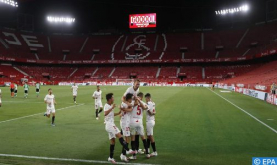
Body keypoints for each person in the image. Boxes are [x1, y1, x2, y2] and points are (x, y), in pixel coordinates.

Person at [104, 93, 136, 164]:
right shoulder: (106, 106)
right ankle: (127, 150)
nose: (114, 99)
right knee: (120, 136)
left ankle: (110, 157)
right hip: (110, 125)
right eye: (113, 98)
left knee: (113, 142)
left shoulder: (109, 105)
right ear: (109, 99)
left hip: (110, 124)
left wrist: (118, 113)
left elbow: (110, 114)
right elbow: (105, 113)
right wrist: (112, 108)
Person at [121, 79, 144, 155]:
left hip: (131, 112)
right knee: (129, 134)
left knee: (133, 133)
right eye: (136, 84)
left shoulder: (138, 90)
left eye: (138, 84)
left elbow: (135, 101)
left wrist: (134, 104)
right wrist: (127, 103)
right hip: (127, 109)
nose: (138, 85)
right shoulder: (129, 89)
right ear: (133, 84)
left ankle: (134, 149)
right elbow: (123, 98)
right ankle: (126, 151)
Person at [129, 92, 150, 159]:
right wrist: (140, 101)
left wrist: (136, 100)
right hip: (139, 121)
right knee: (143, 137)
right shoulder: (143, 103)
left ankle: (134, 155)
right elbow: (145, 108)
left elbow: (128, 106)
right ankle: (147, 153)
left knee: (133, 138)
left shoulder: (133, 102)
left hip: (132, 121)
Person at [119, 93, 135, 162]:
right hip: (124, 123)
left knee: (127, 139)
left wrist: (124, 108)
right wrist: (125, 109)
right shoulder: (125, 104)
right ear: (128, 99)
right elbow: (130, 109)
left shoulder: (126, 103)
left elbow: (130, 108)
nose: (132, 100)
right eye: (131, 98)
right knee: (126, 139)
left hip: (126, 122)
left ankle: (123, 154)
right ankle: (124, 154)